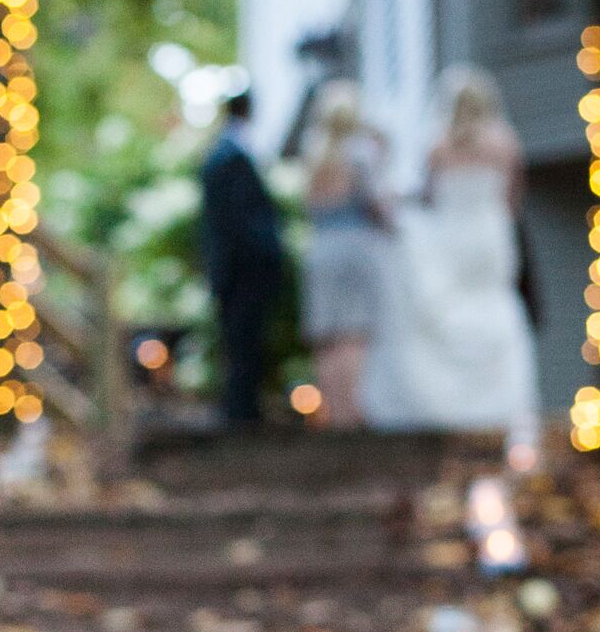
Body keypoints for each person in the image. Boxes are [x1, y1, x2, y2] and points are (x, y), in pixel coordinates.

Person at [365, 67, 538, 436]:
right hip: (491, 236)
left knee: (451, 311)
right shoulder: (504, 141)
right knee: (496, 306)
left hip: (453, 237)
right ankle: (503, 406)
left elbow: (428, 197)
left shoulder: (438, 143)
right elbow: (512, 198)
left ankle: (453, 405)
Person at [301, 82, 391, 427]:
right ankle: (351, 416)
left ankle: (333, 415)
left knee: (327, 337)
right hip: (354, 247)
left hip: (320, 247)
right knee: (353, 334)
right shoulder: (358, 152)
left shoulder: (314, 151)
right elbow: (375, 205)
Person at [201, 82, 284, 429]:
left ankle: (242, 412)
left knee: (241, 341)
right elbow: (241, 220)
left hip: (231, 266)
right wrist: (268, 253)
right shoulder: (232, 156)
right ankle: (240, 416)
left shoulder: (222, 152)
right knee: (242, 341)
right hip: (241, 268)